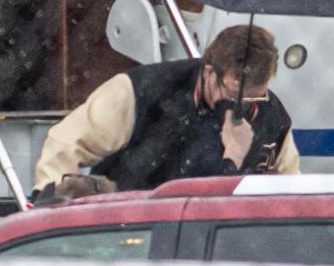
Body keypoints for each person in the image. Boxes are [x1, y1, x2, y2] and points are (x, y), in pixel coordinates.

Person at [32, 24, 300, 198]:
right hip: (131, 227)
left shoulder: (272, 117)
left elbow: (292, 187)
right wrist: (48, 200)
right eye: (231, 95)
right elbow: (66, 143)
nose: (238, 106)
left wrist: (237, 157)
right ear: (209, 72)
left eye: (253, 98)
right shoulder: (143, 90)